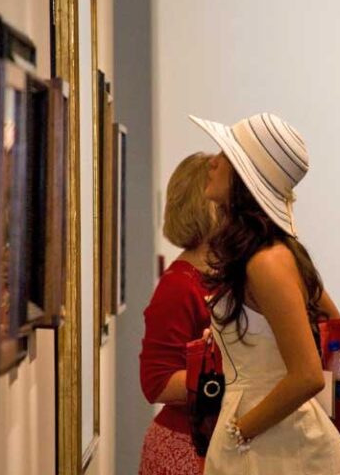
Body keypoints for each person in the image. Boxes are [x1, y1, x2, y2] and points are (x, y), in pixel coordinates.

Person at [190, 113, 340, 475]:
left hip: (278, 448)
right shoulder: (270, 255)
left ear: (245, 179)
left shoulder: (267, 262)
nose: (212, 162)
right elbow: (331, 323)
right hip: (270, 440)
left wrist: (240, 430)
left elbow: (308, 373)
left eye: (225, 155)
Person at [139, 152, 215, 475]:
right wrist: (235, 379)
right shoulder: (179, 286)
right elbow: (157, 383)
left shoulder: (223, 277)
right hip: (183, 448)